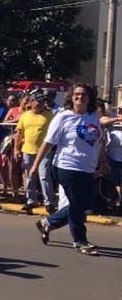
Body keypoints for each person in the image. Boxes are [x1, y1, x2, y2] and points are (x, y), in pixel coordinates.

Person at [30, 84, 103, 255]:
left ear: (89, 98)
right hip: (66, 166)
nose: (80, 97)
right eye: (76, 94)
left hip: (88, 168)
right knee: (78, 204)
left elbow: (99, 142)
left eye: (84, 94)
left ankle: (47, 223)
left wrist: (103, 161)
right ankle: (80, 241)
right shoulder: (63, 117)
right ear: (71, 97)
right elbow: (48, 143)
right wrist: (35, 165)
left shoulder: (93, 117)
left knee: (82, 203)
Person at [14, 88, 55, 214]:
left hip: (45, 152)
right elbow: (19, 133)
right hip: (28, 150)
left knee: (44, 177)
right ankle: (31, 201)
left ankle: (49, 203)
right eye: (38, 101)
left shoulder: (50, 115)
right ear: (31, 102)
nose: (41, 104)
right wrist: (16, 149)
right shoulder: (24, 116)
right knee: (29, 176)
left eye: (42, 101)